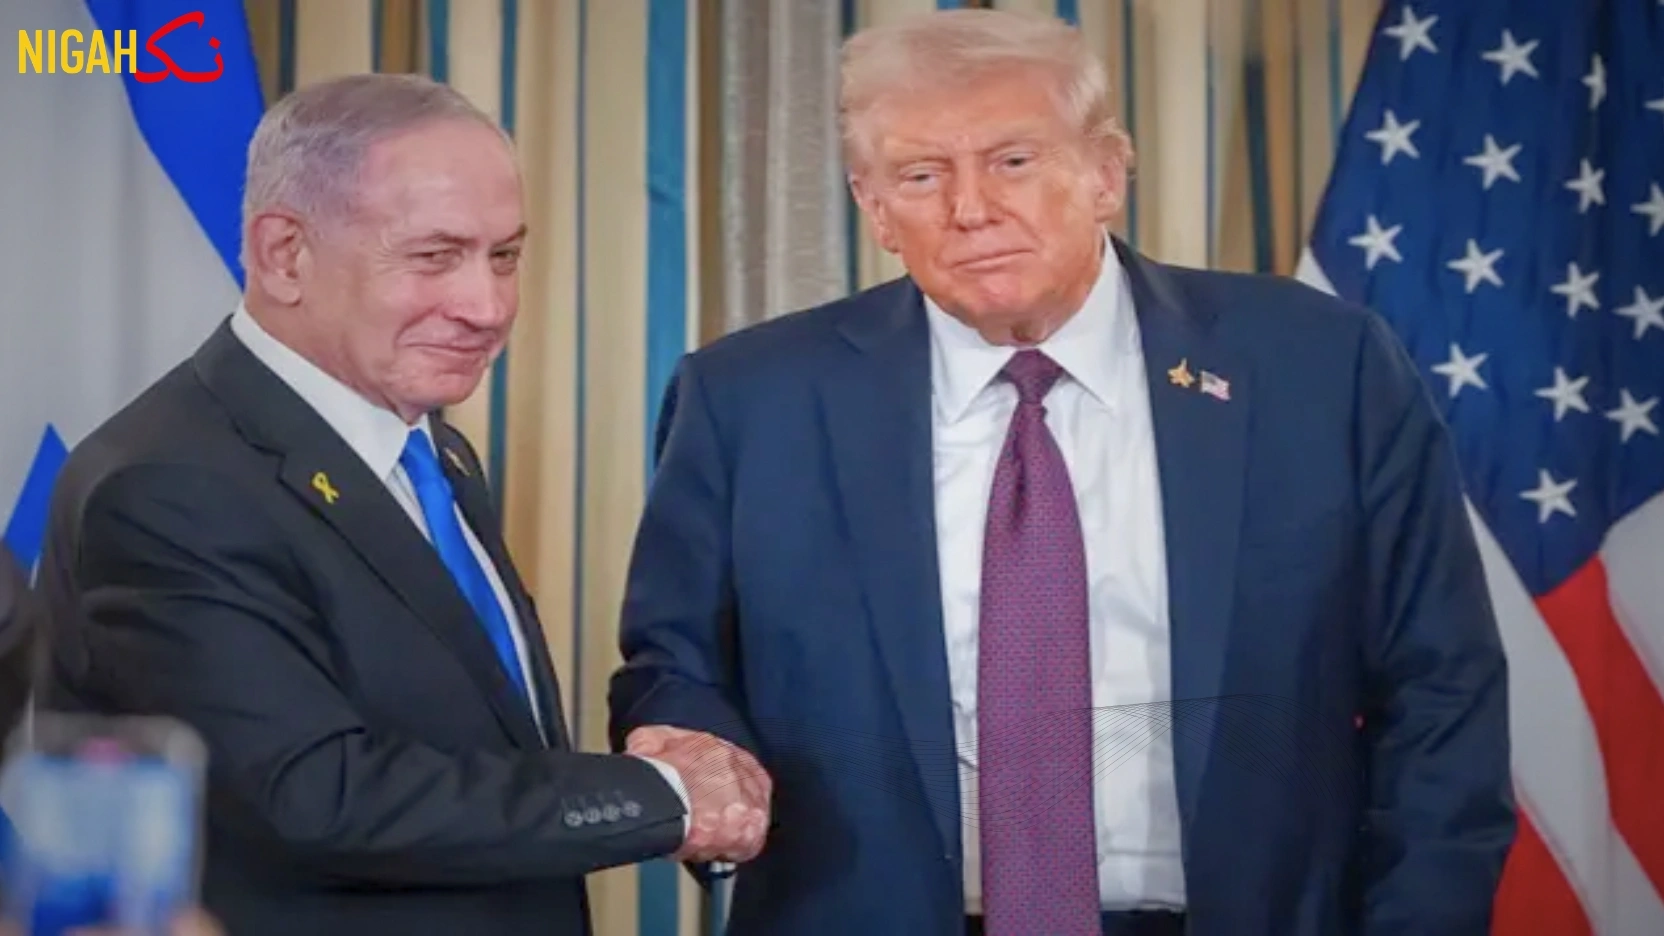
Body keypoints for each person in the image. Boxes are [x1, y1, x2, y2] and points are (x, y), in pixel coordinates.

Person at [608, 9, 1514, 936]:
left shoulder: (1319, 366)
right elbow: (674, 665)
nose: (971, 208)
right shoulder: (751, 399)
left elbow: (1440, 686)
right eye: (921, 175)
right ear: (874, 208)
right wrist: (696, 756)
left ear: (1106, 173)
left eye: (1013, 160)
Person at [31, 73, 768, 936]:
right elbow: (315, 796)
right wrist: (664, 796)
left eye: (504, 256)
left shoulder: (431, 450)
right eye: (433, 257)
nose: (487, 307)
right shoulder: (166, 484)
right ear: (285, 255)